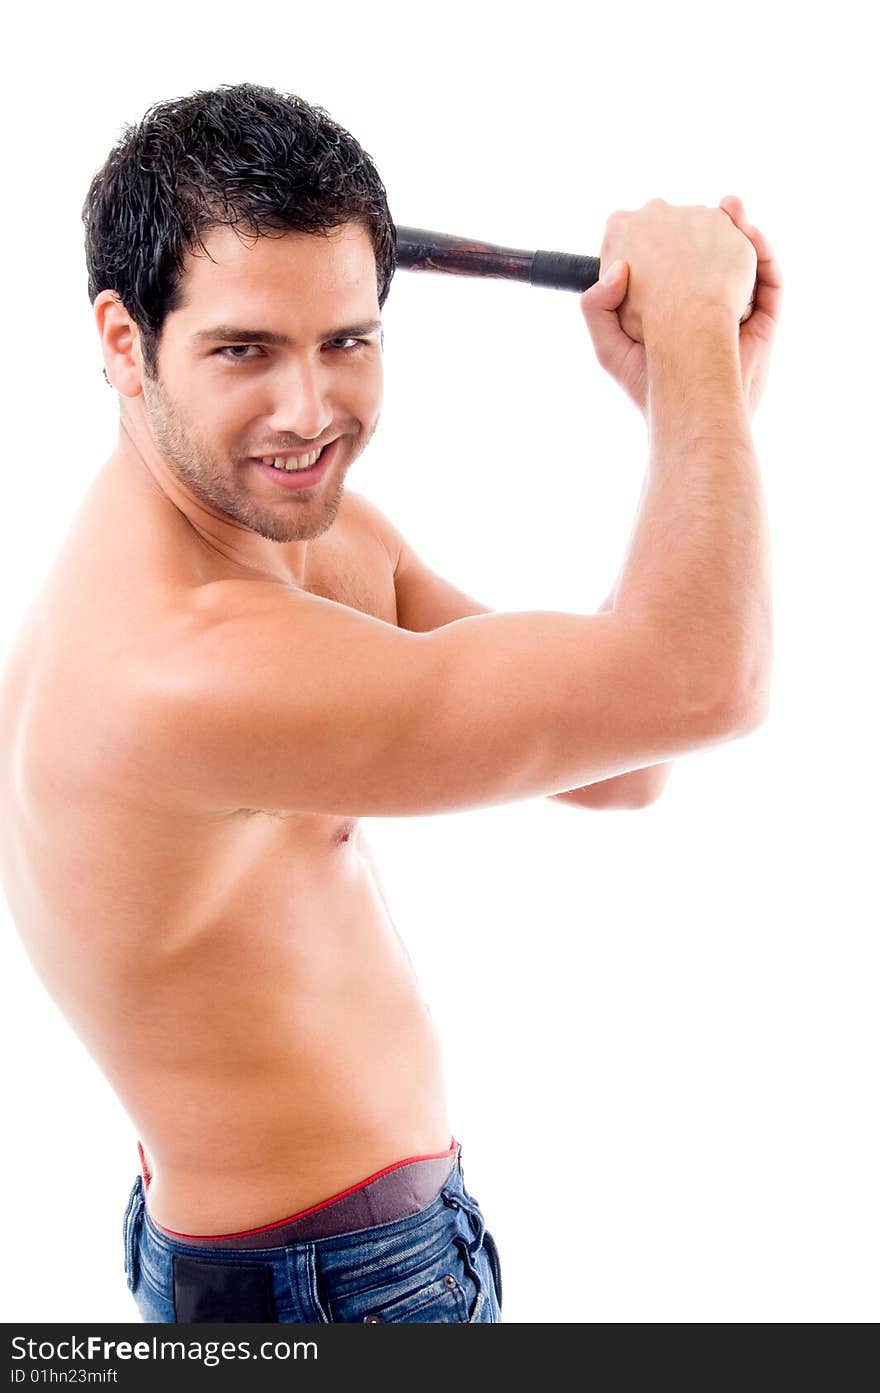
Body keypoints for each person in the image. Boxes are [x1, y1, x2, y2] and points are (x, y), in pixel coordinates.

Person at [0, 82, 782, 1324]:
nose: (310, 415)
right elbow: (705, 682)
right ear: (120, 338)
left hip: (318, 1253)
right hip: (320, 1290)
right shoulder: (185, 663)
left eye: (346, 341)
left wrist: (700, 400)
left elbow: (622, 759)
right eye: (245, 349)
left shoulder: (284, 539)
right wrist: (690, 353)